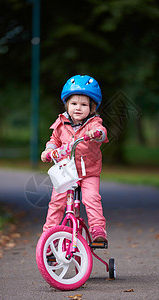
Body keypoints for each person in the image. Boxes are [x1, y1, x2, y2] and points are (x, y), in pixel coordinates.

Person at [41, 75, 109, 242]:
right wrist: (48, 151)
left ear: (92, 108)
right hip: (66, 172)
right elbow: (54, 140)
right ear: (67, 104)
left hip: (89, 173)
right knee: (57, 202)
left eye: (84, 104)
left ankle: (97, 230)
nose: (78, 108)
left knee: (91, 198)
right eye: (74, 104)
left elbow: (102, 133)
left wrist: (97, 134)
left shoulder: (93, 123)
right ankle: (49, 238)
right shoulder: (61, 123)